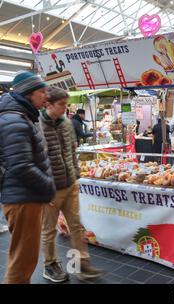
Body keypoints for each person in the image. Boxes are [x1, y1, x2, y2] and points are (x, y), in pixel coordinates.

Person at [39, 86, 104, 283]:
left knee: (76, 226)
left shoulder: (67, 123)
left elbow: (72, 151)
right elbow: (36, 160)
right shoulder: (37, 125)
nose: (65, 109)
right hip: (50, 189)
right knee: (48, 230)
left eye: (66, 105)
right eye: (61, 105)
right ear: (47, 104)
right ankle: (49, 265)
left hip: (70, 185)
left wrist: (76, 175)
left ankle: (81, 264)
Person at [0, 71, 56, 284]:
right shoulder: (15, 120)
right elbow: (21, 166)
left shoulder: (19, 117)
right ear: (28, 93)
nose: (46, 97)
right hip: (24, 199)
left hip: (24, 196)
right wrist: (48, 188)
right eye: (42, 92)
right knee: (23, 261)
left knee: (22, 257)